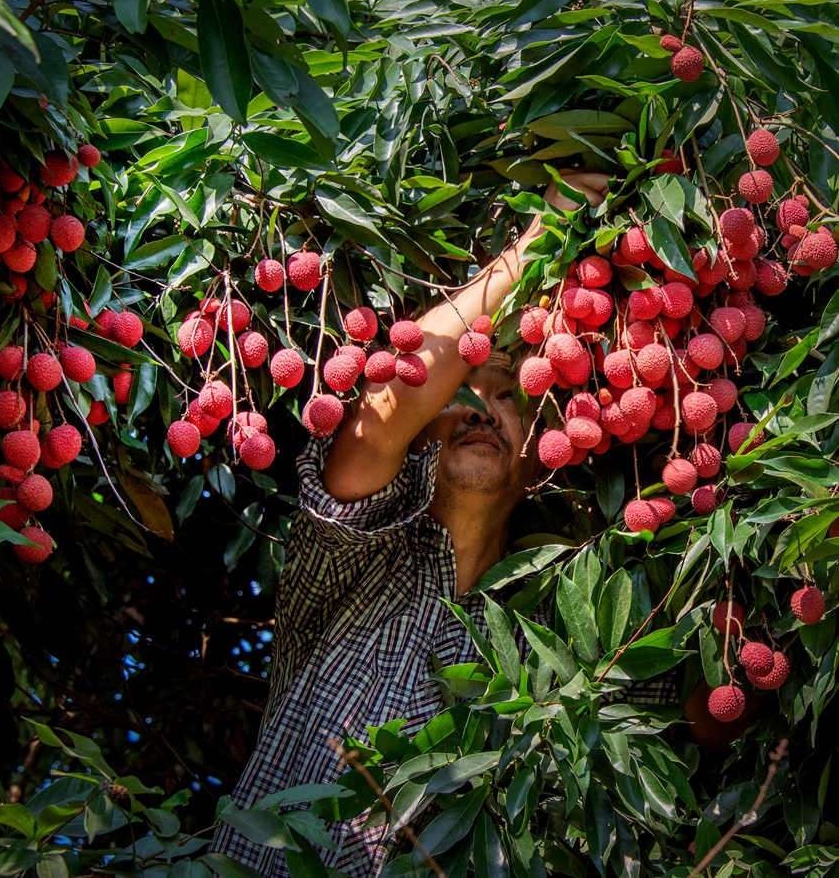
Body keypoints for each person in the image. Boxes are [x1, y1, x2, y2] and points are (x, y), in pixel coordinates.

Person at [210, 172, 676, 875]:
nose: (484, 409)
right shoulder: (344, 566)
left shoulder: (566, 637)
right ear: (423, 436)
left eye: (510, 398)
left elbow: (703, 710)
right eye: (465, 393)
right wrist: (541, 241)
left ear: (542, 460)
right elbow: (387, 403)